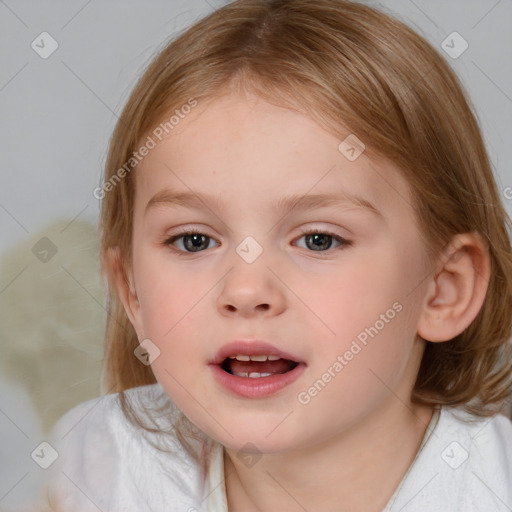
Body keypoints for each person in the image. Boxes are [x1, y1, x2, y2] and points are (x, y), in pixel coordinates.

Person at [44, 0, 512, 510]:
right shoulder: (101, 461)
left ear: (443, 289)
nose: (245, 291)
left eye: (319, 240)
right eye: (193, 240)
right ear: (131, 289)